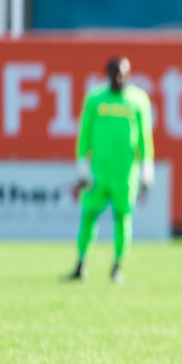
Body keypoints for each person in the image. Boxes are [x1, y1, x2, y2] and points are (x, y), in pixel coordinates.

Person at [69, 56, 155, 284]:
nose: (118, 78)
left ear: (129, 74)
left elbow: (145, 137)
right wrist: (81, 164)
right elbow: (84, 133)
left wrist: (147, 167)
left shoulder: (138, 100)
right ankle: (80, 264)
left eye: (122, 73)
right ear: (106, 74)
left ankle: (117, 266)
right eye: (114, 73)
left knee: (122, 218)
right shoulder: (95, 99)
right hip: (98, 172)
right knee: (89, 216)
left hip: (126, 174)